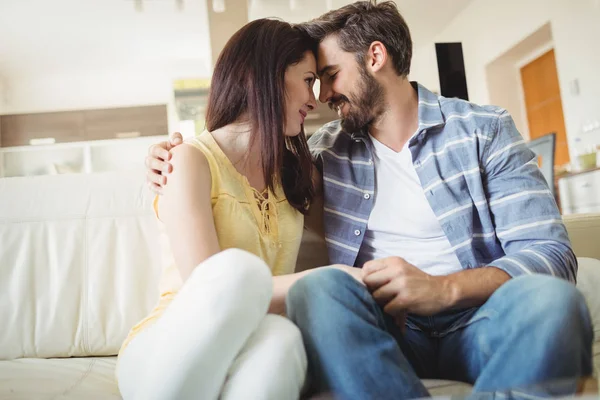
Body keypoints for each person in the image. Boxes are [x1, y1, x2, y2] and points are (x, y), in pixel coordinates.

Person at [146, 2, 593, 399]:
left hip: (479, 319)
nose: (322, 96)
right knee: (320, 289)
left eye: (329, 75)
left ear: (375, 57)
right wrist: (164, 157)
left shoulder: (484, 130)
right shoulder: (324, 151)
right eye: (312, 81)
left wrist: (442, 289)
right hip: (384, 329)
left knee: (556, 303)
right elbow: (234, 155)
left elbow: (550, 254)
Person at [118, 18, 363, 400]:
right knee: (236, 272)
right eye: (308, 80)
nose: (314, 99)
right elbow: (212, 286)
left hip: (251, 342)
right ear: (265, 75)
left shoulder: (298, 175)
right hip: (164, 350)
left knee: (283, 338)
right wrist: (337, 277)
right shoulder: (189, 160)